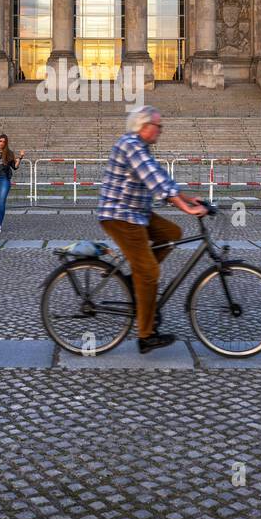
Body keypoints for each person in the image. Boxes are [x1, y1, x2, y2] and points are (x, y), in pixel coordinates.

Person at [97, 105, 207, 354]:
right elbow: (156, 182)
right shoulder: (131, 145)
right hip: (120, 216)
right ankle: (146, 335)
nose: (161, 130)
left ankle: (138, 280)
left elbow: (162, 178)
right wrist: (187, 209)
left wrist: (189, 199)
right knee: (149, 273)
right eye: (158, 125)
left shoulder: (142, 147)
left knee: (171, 234)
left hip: (137, 213)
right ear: (144, 126)